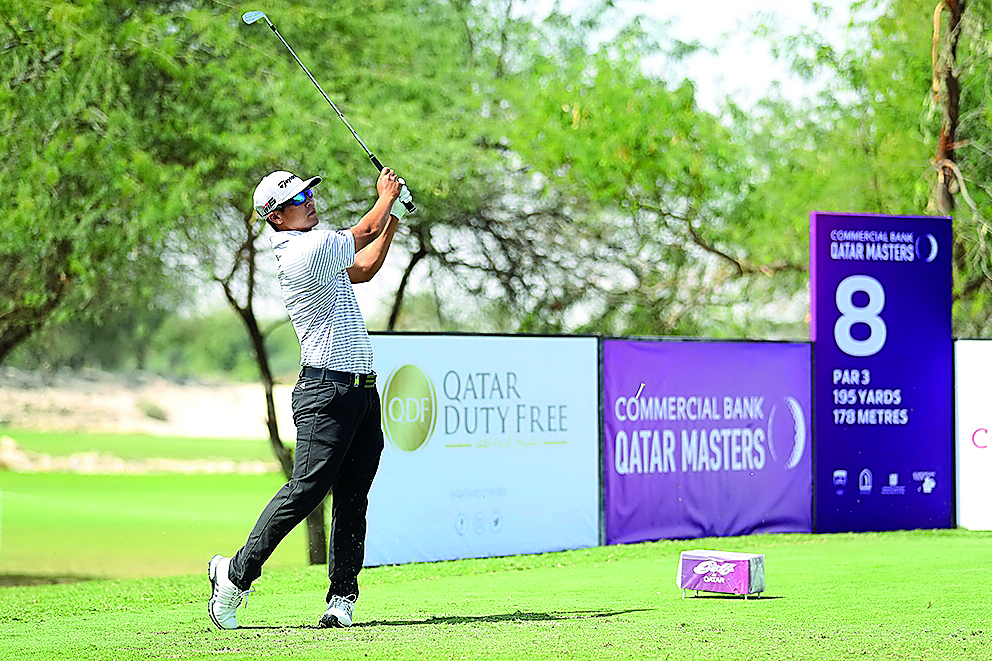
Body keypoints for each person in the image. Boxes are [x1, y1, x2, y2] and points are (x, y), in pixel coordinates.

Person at [208, 166, 409, 630]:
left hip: (361, 390)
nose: (309, 201)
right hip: (326, 390)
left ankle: (342, 597)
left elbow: (364, 267)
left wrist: (393, 212)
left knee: (353, 495)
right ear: (276, 217)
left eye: (307, 193)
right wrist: (385, 196)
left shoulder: (317, 248)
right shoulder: (301, 251)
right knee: (307, 490)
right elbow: (364, 230)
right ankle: (233, 575)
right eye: (298, 199)